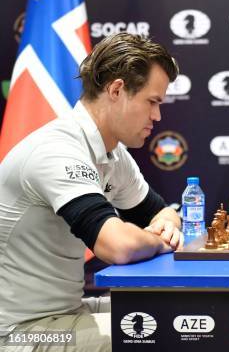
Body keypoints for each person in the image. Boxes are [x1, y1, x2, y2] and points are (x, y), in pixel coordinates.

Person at [0, 33, 182, 351]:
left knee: (182, 316)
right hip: (20, 332)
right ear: (117, 90)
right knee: (168, 333)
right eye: (152, 102)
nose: (157, 116)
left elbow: (161, 212)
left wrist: (166, 224)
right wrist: (159, 241)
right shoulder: (57, 149)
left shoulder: (111, 153)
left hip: (67, 312)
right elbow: (118, 247)